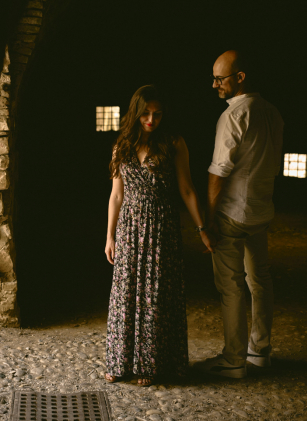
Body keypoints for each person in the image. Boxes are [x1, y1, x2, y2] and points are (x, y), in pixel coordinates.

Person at [104, 84, 213, 387]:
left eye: (158, 114)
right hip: (128, 228)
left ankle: (150, 364)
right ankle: (120, 361)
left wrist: (202, 229)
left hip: (160, 228)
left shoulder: (174, 143)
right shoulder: (121, 146)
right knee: (124, 294)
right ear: (136, 114)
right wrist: (110, 236)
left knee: (155, 296)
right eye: (146, 114)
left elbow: (187, 189)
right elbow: (116, 196)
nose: (151, 120)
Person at [196, 50, 284, 378]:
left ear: (240, 77)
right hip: (261, 211)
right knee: (260, 281)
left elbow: (218, 173)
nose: (215, 84)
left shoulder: (233, 116)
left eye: (221, 78)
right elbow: (273, 166)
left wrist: (207, 220)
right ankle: (260, 351)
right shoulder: (272, 113)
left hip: (233, 213)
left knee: (231, 286)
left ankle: (233, 360)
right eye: (214, 78)